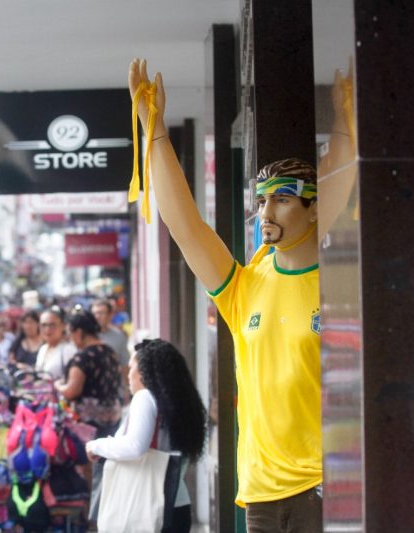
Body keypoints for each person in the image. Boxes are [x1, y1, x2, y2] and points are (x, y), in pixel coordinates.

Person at [128, 58, 355, 531]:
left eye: (283, 198)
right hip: (261, 495)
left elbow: (341, 180)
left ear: (315, 210)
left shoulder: (341, 285)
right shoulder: (244, 287)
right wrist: (155, 132)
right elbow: (185, 225)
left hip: (327, 490)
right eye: (261, 199)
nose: (266, 210)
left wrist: (346, 124)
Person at [86, 339, 207, 532]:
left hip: (146, 507)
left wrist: (96, 445)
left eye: (132, 367)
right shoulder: (180, 401)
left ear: (145, 372)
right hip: (178, 505)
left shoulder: (144, 397)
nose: (128, 374)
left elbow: (135, 446)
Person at [55, 309, 122, 523]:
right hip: (113, 418)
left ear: (79, 332)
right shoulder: (109, 351)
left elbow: (72, 390)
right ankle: (108, 514)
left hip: (88, 426)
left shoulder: (83, 357)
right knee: (109, 469)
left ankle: (92, 519)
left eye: (71, 333)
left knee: (90, 471)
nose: (72, 339)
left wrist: (59, 385)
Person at [34, 307, 76, 381]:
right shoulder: (43, 348)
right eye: (44, 325)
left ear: (63, 326)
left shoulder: (69, 350)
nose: (47, 329)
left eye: (52, 325)